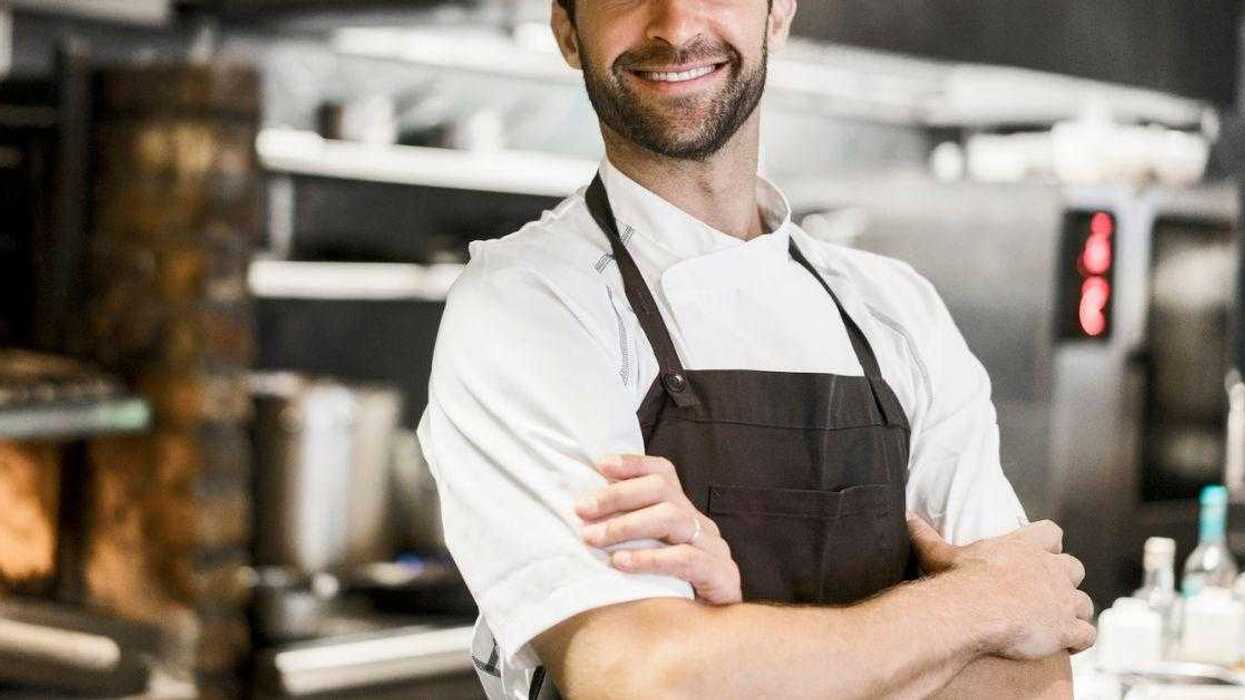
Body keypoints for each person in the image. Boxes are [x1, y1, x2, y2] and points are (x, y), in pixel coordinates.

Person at [415, 0, 1096, 697]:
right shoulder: (529, 304)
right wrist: (973, 608)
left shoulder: (896, 310)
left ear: (776, 16)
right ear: (566, 29)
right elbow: (641, 678)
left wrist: (731, 643)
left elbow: (1029, 679)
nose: (674, 28)